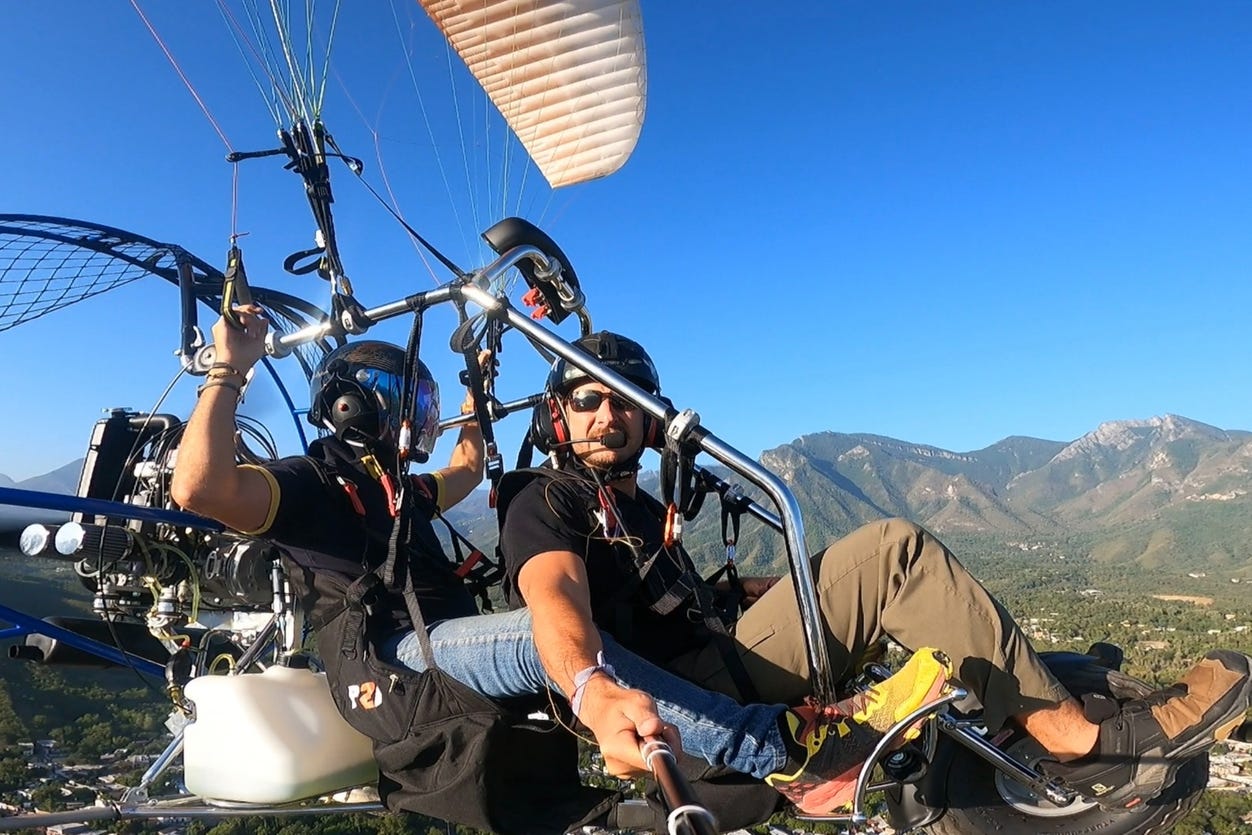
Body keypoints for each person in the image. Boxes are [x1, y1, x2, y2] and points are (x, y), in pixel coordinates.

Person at [169, 306, 950, 821]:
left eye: (422, 406)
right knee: (552, 629)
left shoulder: (398, 490)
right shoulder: (305, 487)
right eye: (400, 399)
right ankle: (782, 749)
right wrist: (227, 369)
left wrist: (477, 377)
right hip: (388, 658)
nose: (417, 421)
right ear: (349, 404)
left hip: (439, 635)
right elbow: (200, 487)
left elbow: (469, 466)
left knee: (557, 628)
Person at [498, 329, 1252, 814]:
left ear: (650, 419)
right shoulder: (547, 501)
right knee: (893, 555)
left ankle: (1052, 695)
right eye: (586, 397)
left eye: (622, 401)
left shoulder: (640, 511)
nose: (606, 413)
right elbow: (553, 602)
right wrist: (593, 689)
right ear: (557, 416)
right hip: (686, 698)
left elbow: (680, 604)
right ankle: (1077, 737)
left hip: (710, 660)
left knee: (853, 575)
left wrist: (791, 585)